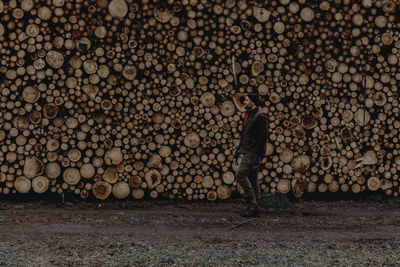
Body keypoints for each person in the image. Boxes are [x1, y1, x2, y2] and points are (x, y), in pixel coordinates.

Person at [233, 93, 268, 217]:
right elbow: (245, 136)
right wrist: (238, 151)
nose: (244, 102)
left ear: (253, 102)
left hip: (253, 152)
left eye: (247, 100)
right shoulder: (249, 115)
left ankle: (252, 203)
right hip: (247, 150)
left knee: (240, 174)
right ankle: (256, 207)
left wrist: (257, 155)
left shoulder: (260, 116)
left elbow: (263, 137)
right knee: (253, 177)